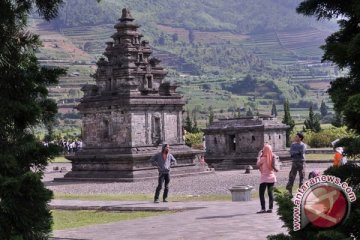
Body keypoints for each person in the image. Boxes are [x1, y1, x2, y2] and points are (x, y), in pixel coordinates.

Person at [256, 144, 278, 214]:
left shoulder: (262, 159)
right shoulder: (272, 157)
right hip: (272, 178)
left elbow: (257, 165)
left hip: (264, 178)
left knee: (261, 193)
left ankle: (263, 208)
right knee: (270, 193)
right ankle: (270, 208)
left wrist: (258, 156)